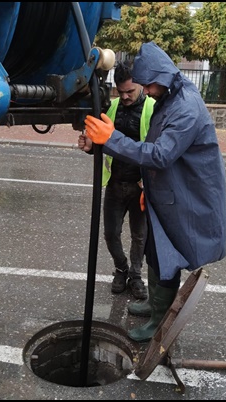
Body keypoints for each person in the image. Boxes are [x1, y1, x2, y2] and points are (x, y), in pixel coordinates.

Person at [84, 42, 226, 342]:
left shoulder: (185, 106)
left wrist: (110, 138)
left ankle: (160, 322)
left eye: (148, 85)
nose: (146, 91)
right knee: (154, 249)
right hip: (164, 192)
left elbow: (161, 154)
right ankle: (156, 304)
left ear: (160, 77)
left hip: (184, 196)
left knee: (166, 255)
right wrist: (145, 186)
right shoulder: (171, 94)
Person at [78, 61, 154, 299]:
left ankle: (136, 275)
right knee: (111, 234)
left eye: (130, 91)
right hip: (115, 183)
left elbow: (158, 151)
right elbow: (102, 143)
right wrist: (90, 148)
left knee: (140, 236)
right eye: (120, 92)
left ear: (140, 85)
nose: (125, 96)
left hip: (140, 186)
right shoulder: (111, 109)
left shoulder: (153, 108)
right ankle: (121, 269)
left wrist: (149, 181)